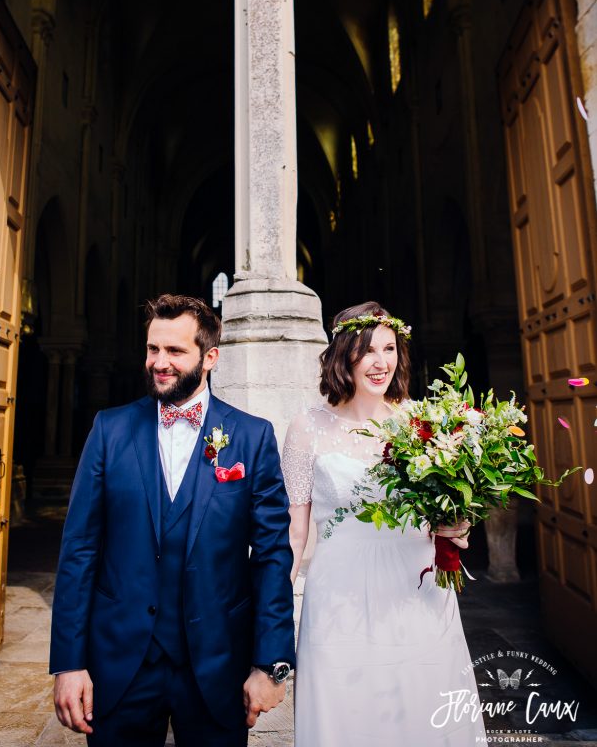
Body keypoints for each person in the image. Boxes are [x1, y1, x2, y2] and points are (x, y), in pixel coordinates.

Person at [50, 294, 295, 747]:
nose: (159, 363)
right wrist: (68, 663)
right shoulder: (109, 430)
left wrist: (271, 664)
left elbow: (272, 557)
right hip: (120, 662)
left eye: (175, 351)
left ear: (210, 358)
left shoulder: (252, 436)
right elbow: (79, 550)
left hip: (217, 664)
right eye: (152, 349)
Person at [283, 301, 487, 746]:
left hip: (417, 592)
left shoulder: (424, 423)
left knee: (421, 709)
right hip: (339, 599)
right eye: (367, 350)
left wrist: (457, 526)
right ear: (343, 356)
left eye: (389, 348)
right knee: (348, 714)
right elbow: (295, 534)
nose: (381, 363)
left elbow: (448, 513)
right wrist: (270, 612)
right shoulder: (306, 429)